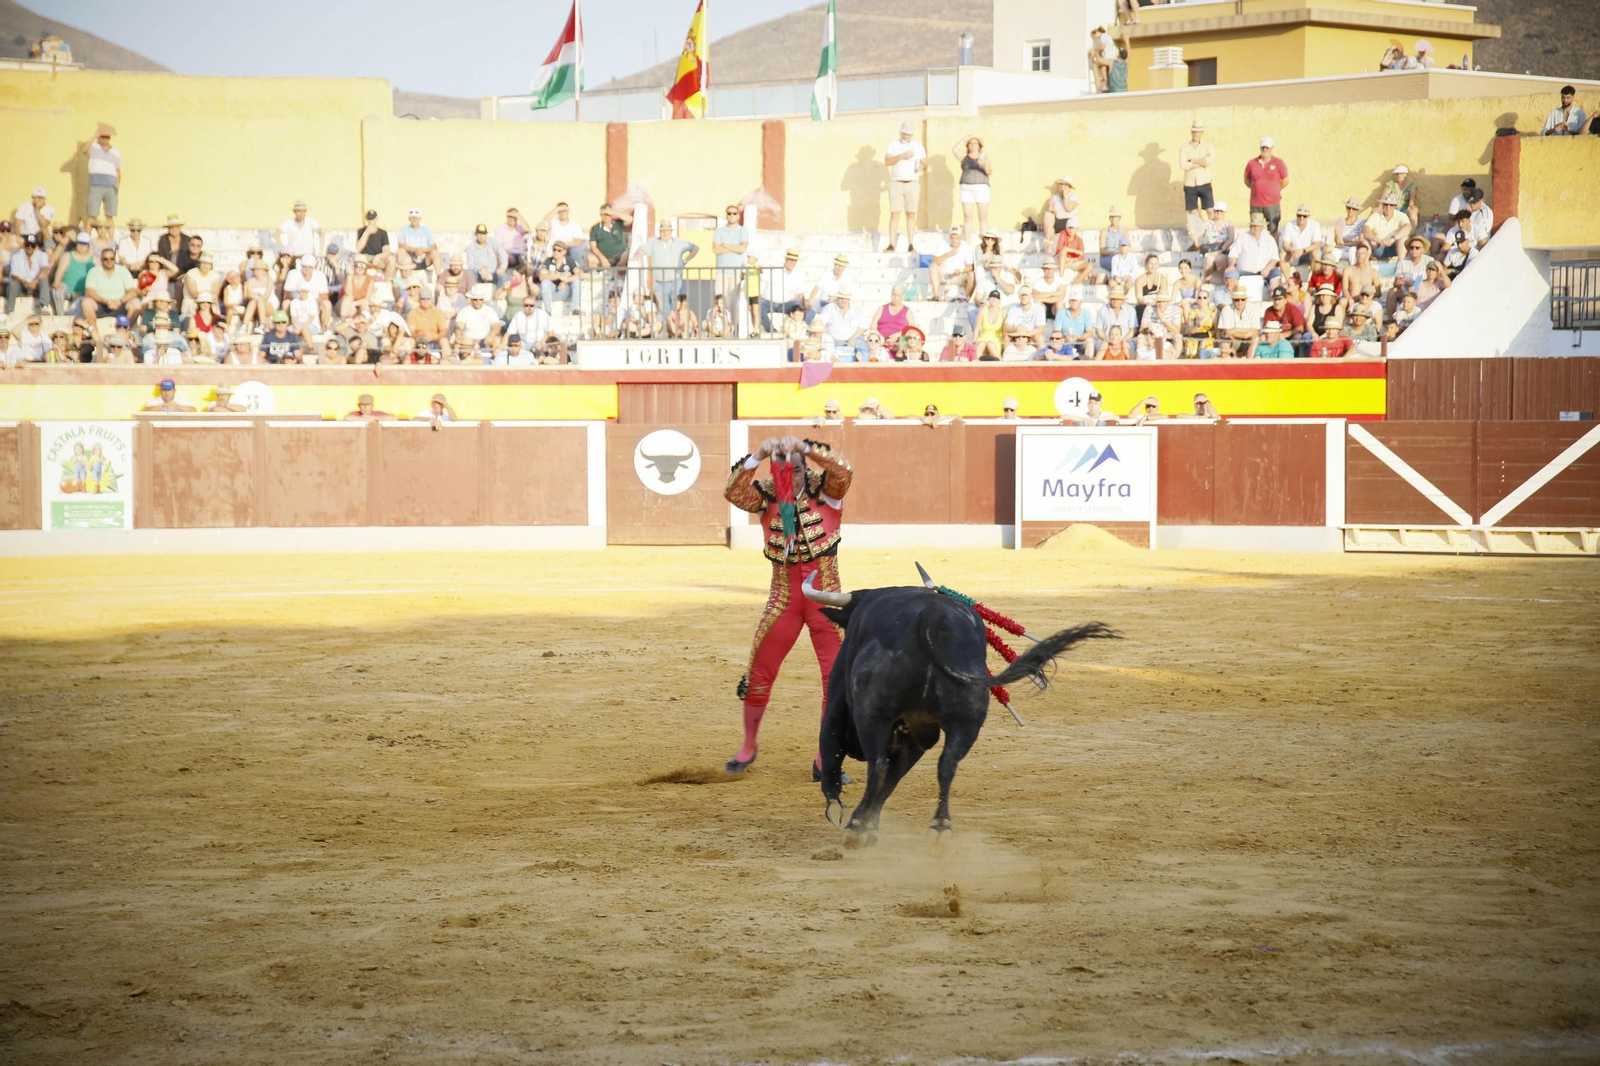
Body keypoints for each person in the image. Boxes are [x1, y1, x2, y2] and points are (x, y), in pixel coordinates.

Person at [722, 434, 855, 781]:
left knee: (836, 680)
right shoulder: (766, 496)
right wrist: (759, 455)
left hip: (827, 601)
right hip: (784, 598)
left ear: (804, 470)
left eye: (795, 470)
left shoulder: (825, 491)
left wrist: (805, 447)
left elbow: (844, 470)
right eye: (781, 470)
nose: (788, 478)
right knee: (759, 672)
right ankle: (748, 746)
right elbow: (733, 492)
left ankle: (826, 759)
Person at [884, 121, 927, 253]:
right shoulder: (893, 145)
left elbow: (925, 162)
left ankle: (911, 244)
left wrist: (921, 166)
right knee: (894, 213)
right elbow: (887, 161)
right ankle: (891, 244)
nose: (904, 136)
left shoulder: (918, 146)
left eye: (907, 134)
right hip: (896, 182)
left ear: (911, 134)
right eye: (903, 133)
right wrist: (902, 156)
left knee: (911, 214)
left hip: (912, 182)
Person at [1243, 136, 1289, 234]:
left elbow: (1285, 180)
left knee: (1273, 229)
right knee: (1255, 230)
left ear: (1271, 148)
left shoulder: (1278, 163)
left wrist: (1276, 189)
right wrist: (1256, 188)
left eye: (1267, 147)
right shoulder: (1252, 163)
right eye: (1263, 147)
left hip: (1272, 203)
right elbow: (1247, 180)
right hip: (1256, 203)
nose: (1265, 149)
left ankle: (1274, 249)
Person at [80, 246, 138, 324]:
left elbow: (132, 292)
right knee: (86, 302)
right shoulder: (94, 271)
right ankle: (94, 333)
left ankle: (126, 331)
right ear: (101, 259)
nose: (109, 261)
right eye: (105, 259)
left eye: (111, 259)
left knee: (136, 303)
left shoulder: (123, 271)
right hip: (101, 304)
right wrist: (106, 301)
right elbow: (89, 292)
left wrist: (120, 301)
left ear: (115, 259)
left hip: (120, 304)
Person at [951, 135, 992, 240]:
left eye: (975, 143)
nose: (973, 146)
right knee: (967, 216)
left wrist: (983, 165)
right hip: (966, 188)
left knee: (982, 217)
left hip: (981, 187)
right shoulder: (964, 157)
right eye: (971, 143)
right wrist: (965, 138)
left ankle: (983, 241)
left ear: (979, 146)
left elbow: (989, 172)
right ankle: (967, 241)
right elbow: (954, 149)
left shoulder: (984, 157)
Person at [81, 123, 121, 226]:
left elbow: (118, 171)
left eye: (107, 137)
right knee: (92, 215)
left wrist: (117, 187)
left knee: (109, 216)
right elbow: (83, 150)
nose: (104, 139)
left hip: (111, 186)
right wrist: (94, 136)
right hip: (96, 185)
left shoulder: (116, 152)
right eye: (102, 136)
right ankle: (87, 240)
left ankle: (110, 241)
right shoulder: (93, 147)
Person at [8, 235, 53, 313]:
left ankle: (44, 306)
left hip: (36, 286)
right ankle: (10, 309)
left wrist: (35, 281)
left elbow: (45, 269)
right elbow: (14, 274)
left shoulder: (42, 255)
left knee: (44, 279)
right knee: (13, 283)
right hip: (22, 286)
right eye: (27, 245)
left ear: (36, 246)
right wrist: (24, 283)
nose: (30, 247)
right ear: (24, 245)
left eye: (32, 245)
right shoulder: (16, 256)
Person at [1180, 120, 1215, 220]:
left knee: (1210, 209)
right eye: (1194, 131)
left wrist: (1192, 160)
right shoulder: (1184, 148)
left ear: (1201, 133)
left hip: (1205, 182)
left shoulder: (1208, 146)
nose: (1195, 134)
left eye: (1198, 132)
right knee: (1192, 212)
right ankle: (1195, 233)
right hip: (1190, 183)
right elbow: (1183, 165)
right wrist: (1201, 163)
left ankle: (1212, 232)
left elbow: (1208, 161)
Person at [928, 226, 974, 299]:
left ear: (960, 237)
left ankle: (966, 299)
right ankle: (936, 296)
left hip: (959, 275)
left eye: (956, 238)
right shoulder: (943, 244)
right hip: (944, 275)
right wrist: (948, 254)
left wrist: (961, 271)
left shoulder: (966, 246)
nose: (954, 240)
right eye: (952, 238)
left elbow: (971, 266)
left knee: (971, 274)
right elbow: (934, 261)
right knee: (933, 267)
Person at [1039, 175, 1078, 248]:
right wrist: (1052, 211)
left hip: (1069, 221)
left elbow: (1068, 208)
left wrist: (1065, 196)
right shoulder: (1054, 197)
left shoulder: (1073, 196)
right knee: (1047, 215)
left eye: (1063, 184)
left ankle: (1049, 244)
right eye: (1060, 184)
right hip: (1057, 220)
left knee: (1051, 225)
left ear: (1068, 186)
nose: (1061, 186)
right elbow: (1050, 210)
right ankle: (1048, 243)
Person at [1054, 293, 1094, 359]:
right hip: (1064, 340)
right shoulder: (1061, 313)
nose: (1073, 302)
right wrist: (1064, 337)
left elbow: (1090, 332)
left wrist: (1078, 337)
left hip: (1080, 341)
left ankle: (1089, 364)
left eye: (1075, 300)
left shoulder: (1086, 314)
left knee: (1090, 341)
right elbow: (1056, 331)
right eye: (1071, 300)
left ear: (1081, 302)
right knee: (1056, 340)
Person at [973, 290, 1006, 361]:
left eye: (996, 298)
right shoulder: (983, 311)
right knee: (981, 343)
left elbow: (1005, 330)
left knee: (991, 344)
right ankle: (973, 364)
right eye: (992, 297)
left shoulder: (1002, 311)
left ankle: (999, 364)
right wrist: (974, 341)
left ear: (999, 300)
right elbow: (976, 328)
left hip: (997, 339)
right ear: (988, 299)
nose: (994, 300)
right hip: (983, 337)